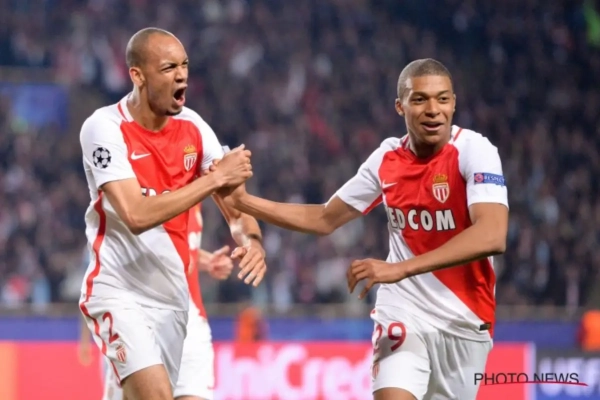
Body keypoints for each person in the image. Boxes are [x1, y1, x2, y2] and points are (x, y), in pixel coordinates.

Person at [218, 59, 508, 400]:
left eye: (442, 99)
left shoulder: (475, 151)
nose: (433, 110)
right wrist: (244, 202)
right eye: (420, 100)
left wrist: (400, 268)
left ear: (454, 103)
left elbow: (492, 235)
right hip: (403, 309)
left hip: (465, 318)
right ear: (400, 106)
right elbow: (324, 218)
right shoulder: (386, 159)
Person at [79, 27, 267, 400]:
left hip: (174, 301)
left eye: (184, 66)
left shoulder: (195, 129)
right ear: (137, 75)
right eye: (168, 68)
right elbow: (135, 215)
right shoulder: (104, 128)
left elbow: (235, 206)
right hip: (118, 289)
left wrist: (251, 239)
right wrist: (214, 179)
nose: (181, 76)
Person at [95, 204, 234, 400]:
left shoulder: (196, 197)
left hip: (190, 319)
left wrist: (204, 260)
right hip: (140, 318)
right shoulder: (140, 192)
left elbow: (182, 244)